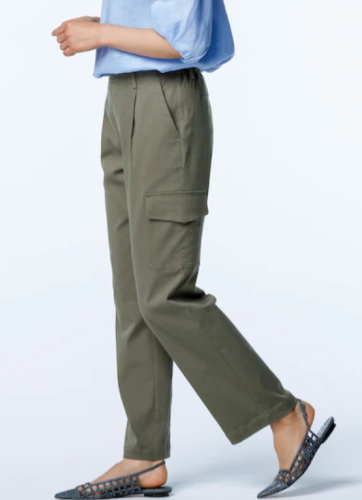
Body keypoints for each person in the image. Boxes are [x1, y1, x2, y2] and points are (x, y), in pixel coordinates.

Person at [51, 1, 335, 498]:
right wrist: (110, 29)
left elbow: (185, 42)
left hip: (162, 105)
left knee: (164, 293)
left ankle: (286, 413)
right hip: (121, 99)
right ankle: (144, 453)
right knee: (134, 295)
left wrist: (102, 34)